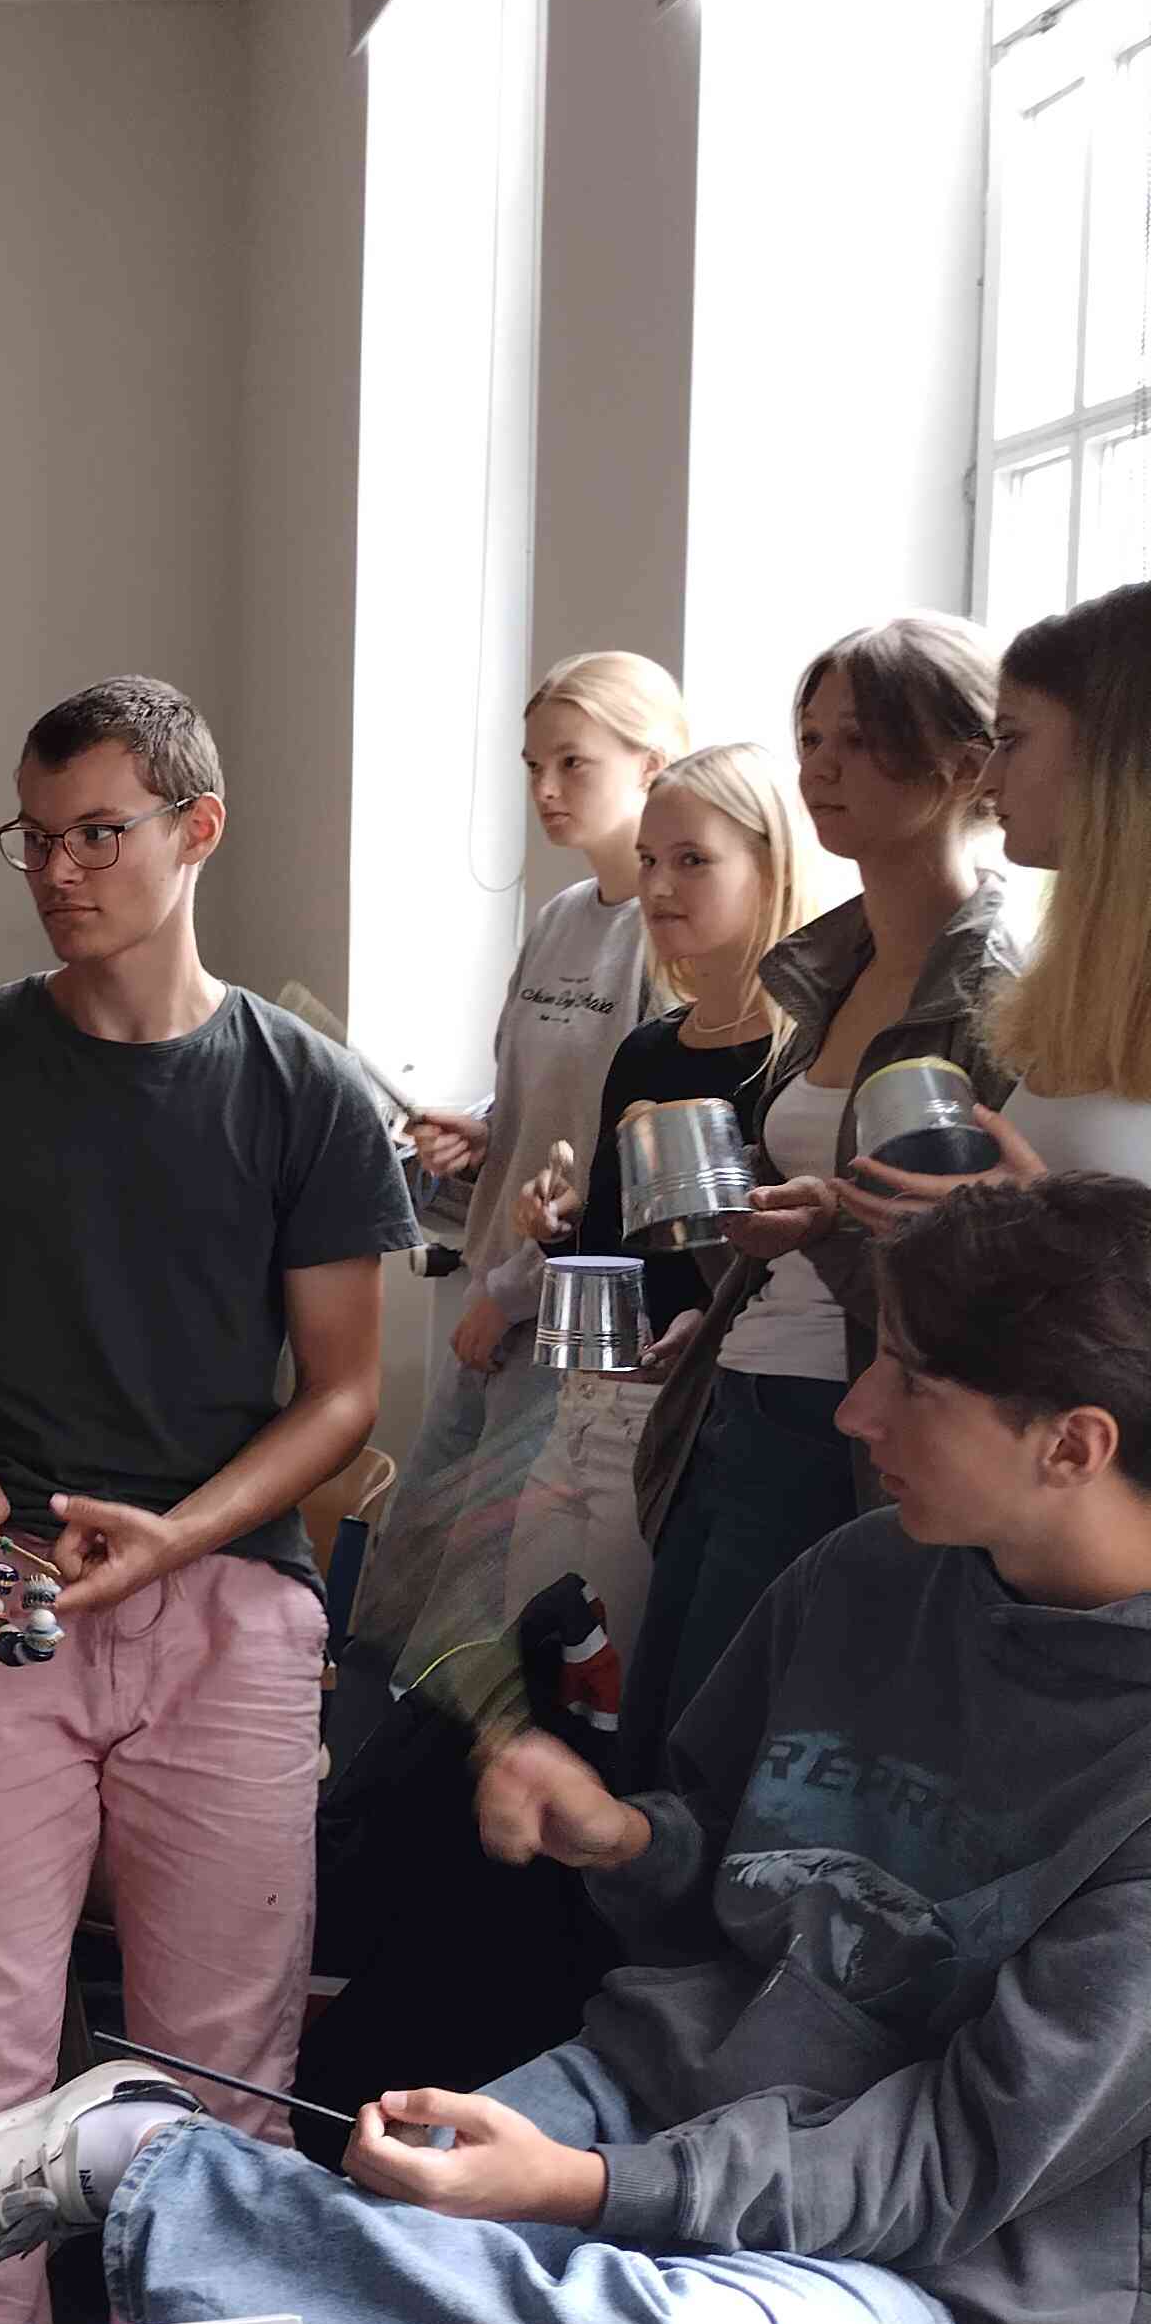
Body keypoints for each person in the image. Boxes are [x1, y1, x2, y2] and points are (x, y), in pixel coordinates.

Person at [0, 1174, 1151, 2324]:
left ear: (1073, 1446)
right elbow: (737, 1876)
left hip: (927, 2271)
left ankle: (138, 2165)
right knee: (379, 2313)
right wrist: (627, 1841)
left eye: (910, 1380)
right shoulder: (859, 1577)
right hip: (648, 2093)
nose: (855, 1409)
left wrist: (585, 2193)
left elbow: (952, 2161)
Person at [0, 675, 418, 2324]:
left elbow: (342, 1393)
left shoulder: (306, 1090)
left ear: (196, 830)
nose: (57, 871)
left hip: (227, 1597)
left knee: (222, 2087)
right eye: (34, 837)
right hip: (2, 1579)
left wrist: (183, 1537)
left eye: (98, 834)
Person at [621, 616, 1021, 1784]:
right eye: (810, 737)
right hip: (735, 1390)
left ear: (963, 764)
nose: (821, 768)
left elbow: (983, 1255)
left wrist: (831, 1221)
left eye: (860, 738)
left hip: (841, 1417)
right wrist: (735, 1270)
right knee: (660, 1732)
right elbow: (816, 1212)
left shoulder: (996, 987)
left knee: (725, 1764)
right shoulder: (828, 965)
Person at [349, 652, 689, 1687]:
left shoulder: (667, 938)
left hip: (563, 1313)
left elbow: (624, 1166)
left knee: (484, 1600)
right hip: (494, 1289)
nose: (544, 789)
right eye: (533, 765)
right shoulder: (559, 917)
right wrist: (484, 1129)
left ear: (652, 763)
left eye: (572, 763)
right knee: (409, 1563)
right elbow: (545, 1103)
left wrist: (512, 1290)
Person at [501, 743, 818, 1676]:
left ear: (770, 868)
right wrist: (559, 1224)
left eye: (692, 860)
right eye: (648, 860)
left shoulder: (798, 1063)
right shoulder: (646, 1049)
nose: (659, 886)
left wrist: (704, 1320)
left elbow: (779, 1267)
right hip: (587, 1404)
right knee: (530, 1666)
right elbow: (617, 1246)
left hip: (694, 1423)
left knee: (622, 1687)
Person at [838, 577, 1151, 1227]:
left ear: (1114, 749)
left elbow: (1060, 1222)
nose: (987, 778)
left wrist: (1035, 1222)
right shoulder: (1075, 986)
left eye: (1011, 739)